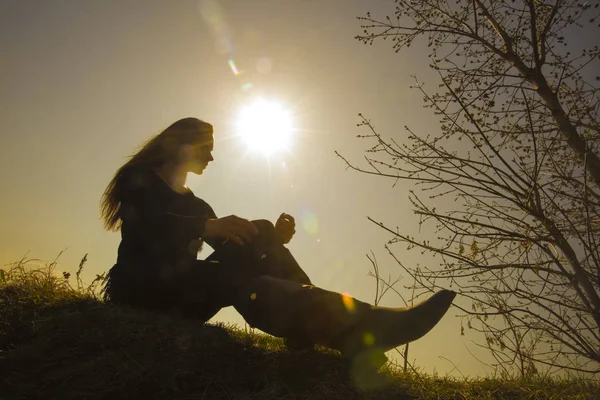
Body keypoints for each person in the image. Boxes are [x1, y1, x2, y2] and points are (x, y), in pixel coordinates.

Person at [100, 117, 456, 364]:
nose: (211, 156)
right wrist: (207, 227)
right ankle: (352, 329)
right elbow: (146, 225)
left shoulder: (197, 205)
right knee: (233, 274)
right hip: (139, 292)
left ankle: (332, 330)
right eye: (206, 147)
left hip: (183, 294)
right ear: (183, 145)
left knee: (257, 236)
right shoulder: (139, 179)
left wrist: (271, 239)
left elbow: (235, 249)